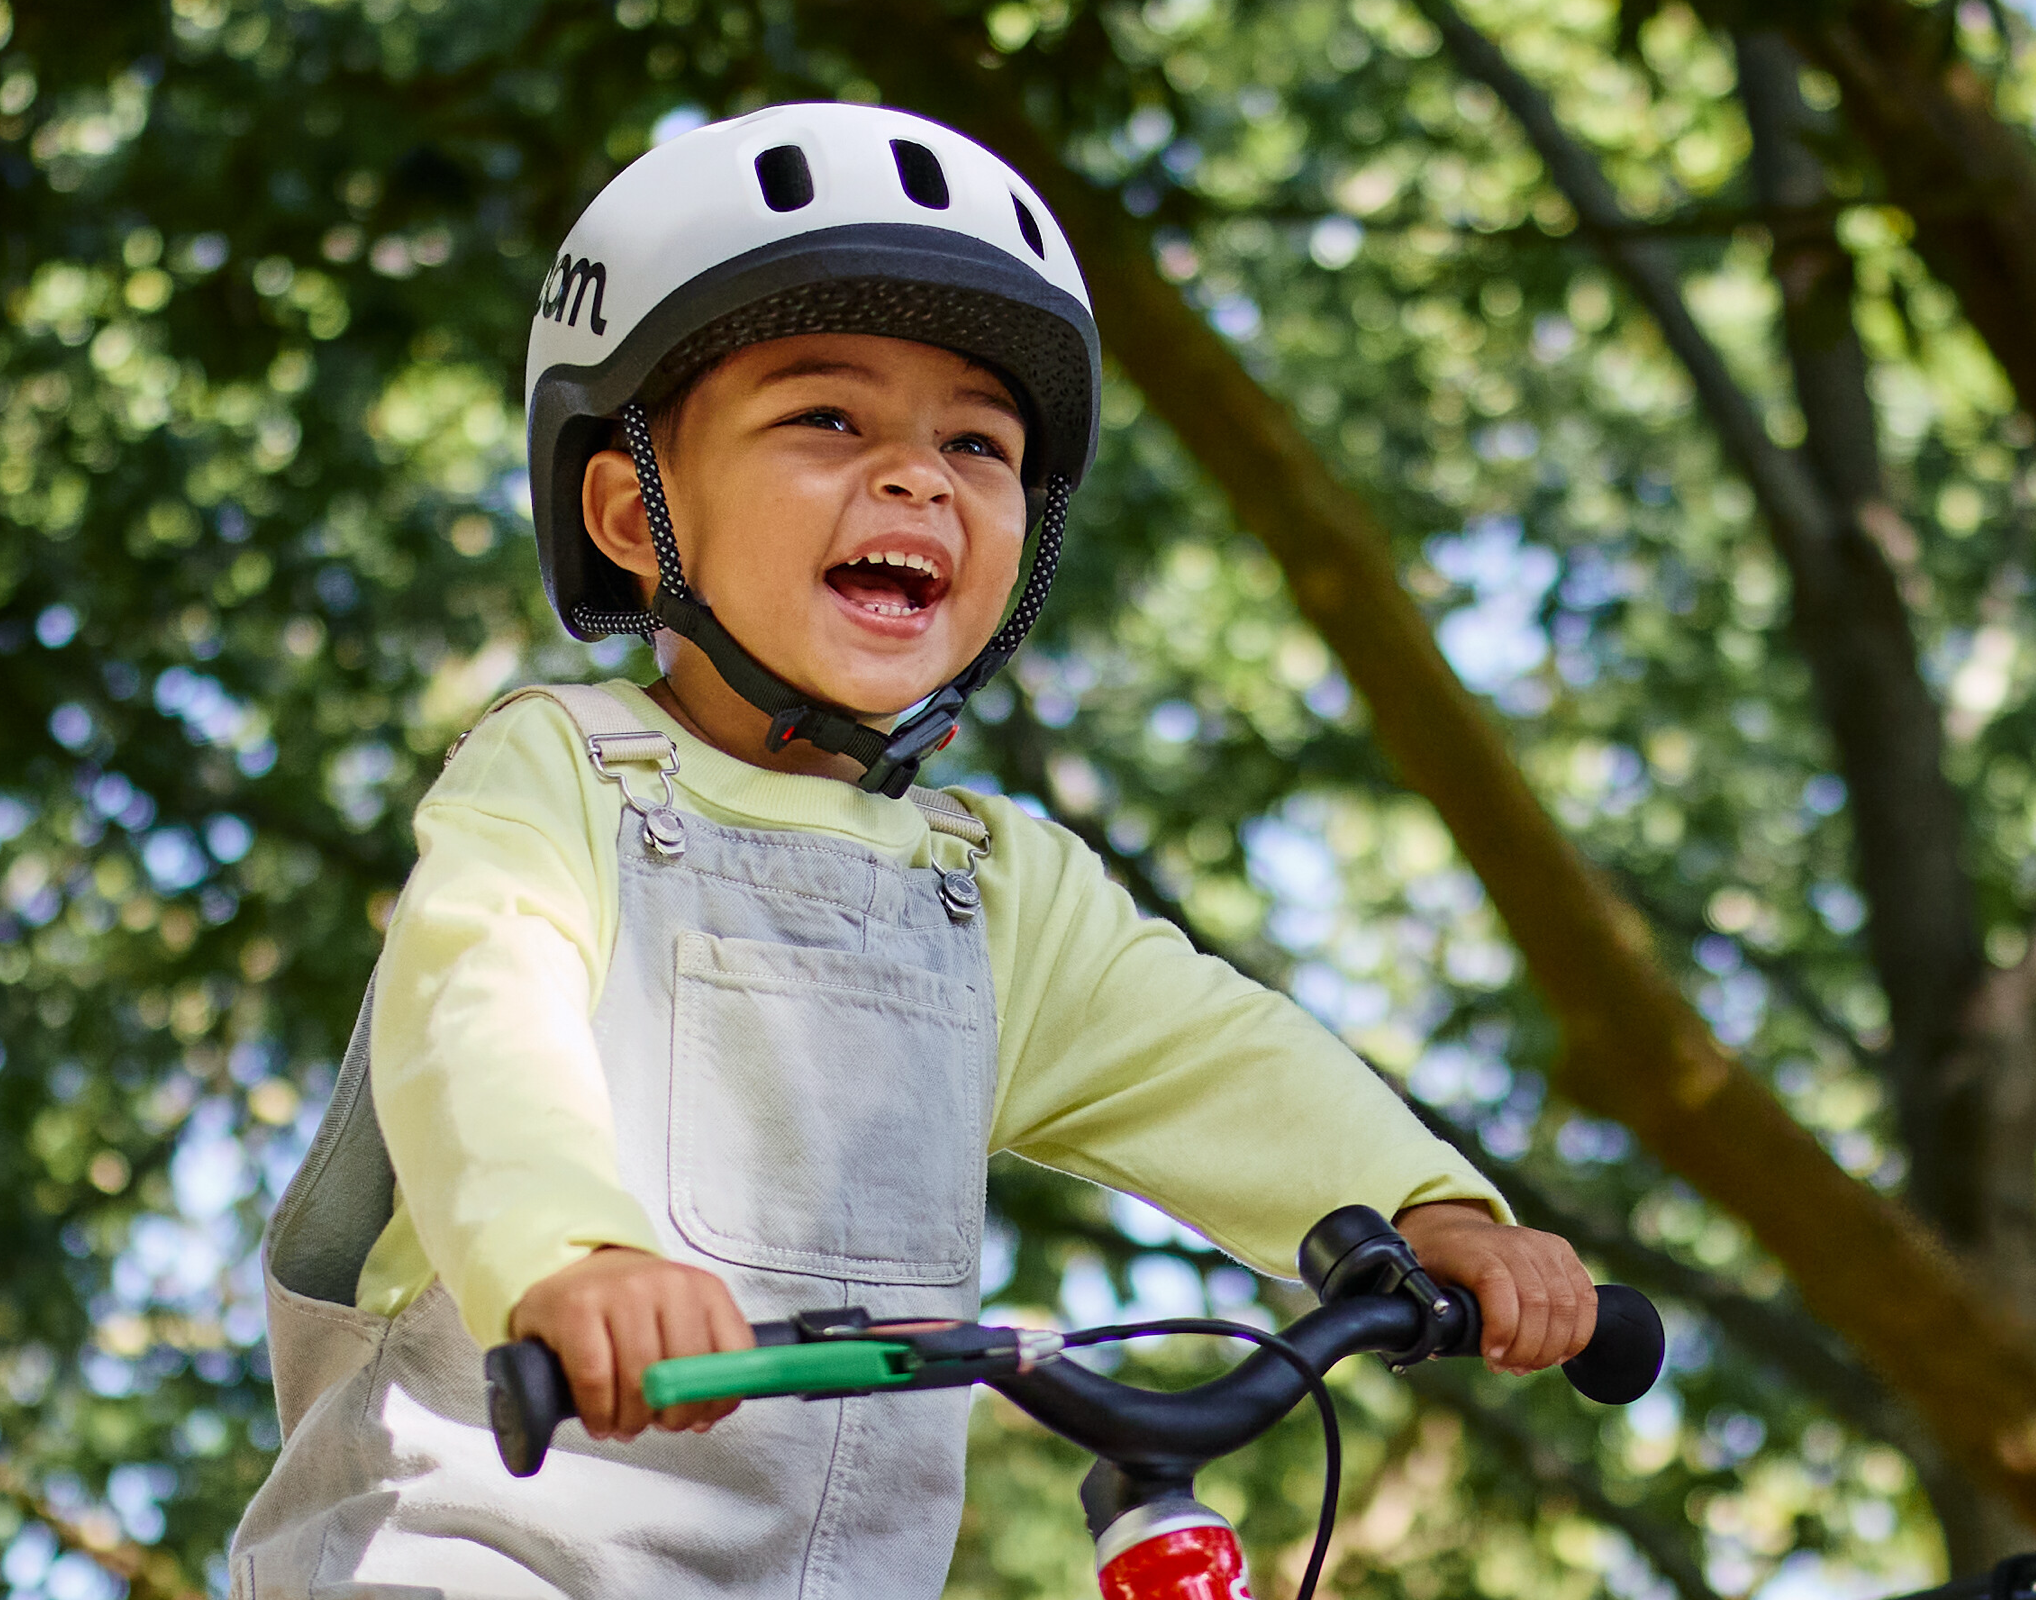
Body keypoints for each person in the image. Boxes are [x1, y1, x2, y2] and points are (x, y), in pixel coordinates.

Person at [228, 102, 1596, 1600]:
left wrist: (1430, 1211)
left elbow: (1215, 1057)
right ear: (633, 511)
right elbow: (479, 1016)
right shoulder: (566, 776)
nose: (916, 478)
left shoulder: (990, 885)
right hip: (483, 1557)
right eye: (826, 418)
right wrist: (572, 1257)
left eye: (978, 442)